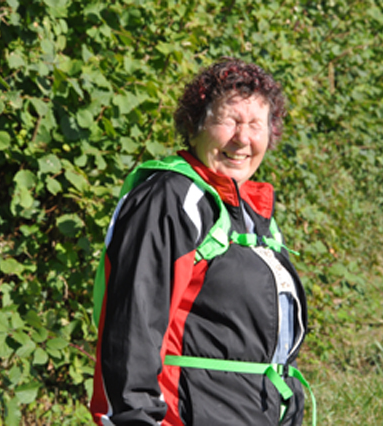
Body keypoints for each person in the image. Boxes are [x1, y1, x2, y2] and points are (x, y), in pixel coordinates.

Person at [90, 59, 310, 425]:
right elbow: (131, 329)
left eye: (256, 124)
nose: (242, 138)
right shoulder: (170, 199)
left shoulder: (251, 213)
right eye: (229, 121)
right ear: (195, 127)